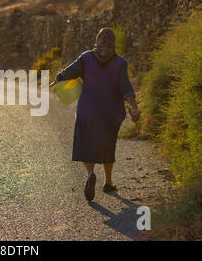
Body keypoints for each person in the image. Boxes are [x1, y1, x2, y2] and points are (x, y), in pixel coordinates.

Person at [53, 27, 140, 202]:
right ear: (113, 44)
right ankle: (108, 182)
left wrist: (57, 79)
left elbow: (68, 72)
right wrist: (134, 108)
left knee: (86, 146)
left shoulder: (86, 58)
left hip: (87, 112)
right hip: (110, 115)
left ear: (96, 41)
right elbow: (126, 88)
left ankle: (91, 174)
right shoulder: (120, 63)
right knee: (107, 148)